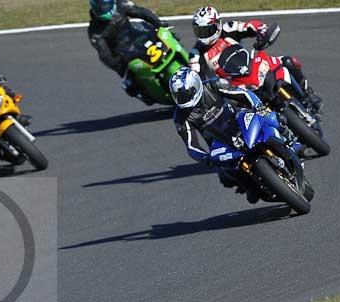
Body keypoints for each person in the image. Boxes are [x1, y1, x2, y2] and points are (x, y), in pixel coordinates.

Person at [189, 5, 321, 111]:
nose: (203, 35)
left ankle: (307, 94)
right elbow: (196, 77)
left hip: (254, 66)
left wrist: (262, 31)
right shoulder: (196, 53)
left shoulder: (228, 28)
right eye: (200, 31)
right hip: (233, 86)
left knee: (289, 61)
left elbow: (250, 26)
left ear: (217, 25)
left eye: (207, 30)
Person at [169, 67, 267, 203]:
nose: (184, 97)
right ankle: (253, 185)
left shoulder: (213, 85)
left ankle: (289, 137)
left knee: (270, 119)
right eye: (179, 95)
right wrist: (205, 157)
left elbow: (243, 93)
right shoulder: (180, 117)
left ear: (196, 84)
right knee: (226, 177)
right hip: (222, 145)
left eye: (187, 93)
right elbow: (191, 145)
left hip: (240, 123)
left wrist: (257, 105)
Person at [87, 0, 165, 102]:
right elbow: (104, 55)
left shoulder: (120, 4)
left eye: (107, 5)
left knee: (164, 35)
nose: (105, 8)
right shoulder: (94, 31)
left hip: (138, 38)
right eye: (102, 7)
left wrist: (157, 22)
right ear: (95, 7)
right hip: (124, 55)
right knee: (130, 85)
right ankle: (149, 94)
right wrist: (119, 66)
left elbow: (140, 11)